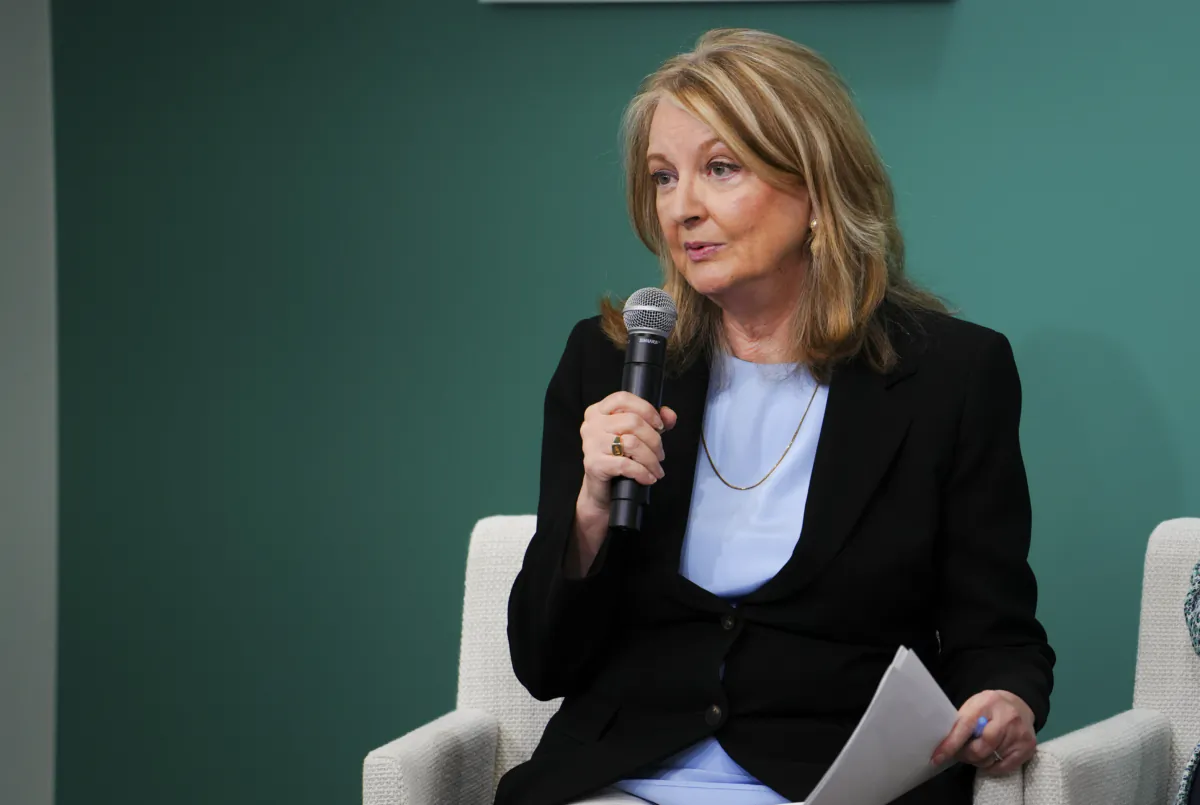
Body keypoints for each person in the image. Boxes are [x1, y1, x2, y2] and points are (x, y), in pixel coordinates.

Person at [496, 28, 1055, 805]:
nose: (682, 208)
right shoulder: (611, 361)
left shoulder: (950, 376)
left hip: (832, 783)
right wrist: (590, 510)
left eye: (720, 168)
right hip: (621, 779)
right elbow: (543, 663)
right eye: (663, 178)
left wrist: (1006, 697)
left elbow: (994, 630)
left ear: (817, 189)